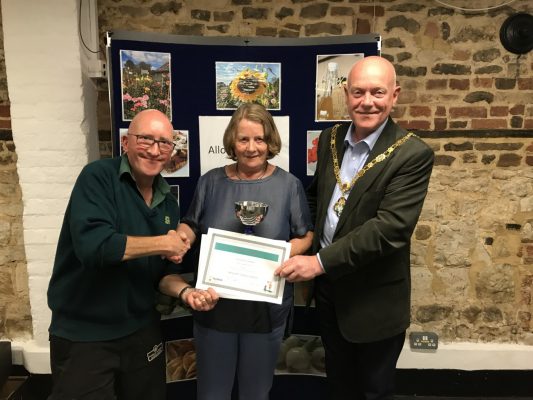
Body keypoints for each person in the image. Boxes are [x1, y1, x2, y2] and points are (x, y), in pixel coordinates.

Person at [276, 56, 435, 400]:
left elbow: (390, 229)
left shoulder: (412, 154)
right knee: (339, 384)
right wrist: (301, 241)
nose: (367, 102)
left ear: (395, 95)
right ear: (345, 94)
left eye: (377, 92)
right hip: (331, 291)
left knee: (374, 390)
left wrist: (317, 262)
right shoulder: (330, 138)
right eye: (358, 92)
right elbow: (318, 199)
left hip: (374, 298)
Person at [46, 109, 218, 400]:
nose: (154, 150)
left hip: (141, 331)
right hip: (85, 335)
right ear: (126, 142)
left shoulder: (168, 204)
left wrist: (186, 292)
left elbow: (160, 275)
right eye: (145, 139)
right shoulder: (98, 177)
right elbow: (94, 247)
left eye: (164, 143)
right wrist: (164, 243)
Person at [176, 103, 313, 400]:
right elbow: (190, 223)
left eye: (260, 139)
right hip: (214, 306)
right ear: (232, 142)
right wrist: (180, 238)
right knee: (212, 393)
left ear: (270, 141)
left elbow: (306, 235)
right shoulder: (210, 181)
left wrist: (289, 250)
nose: (252, 148)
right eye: (243, 139)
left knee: (256, 393)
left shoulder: (289, 185)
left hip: (264, 310)